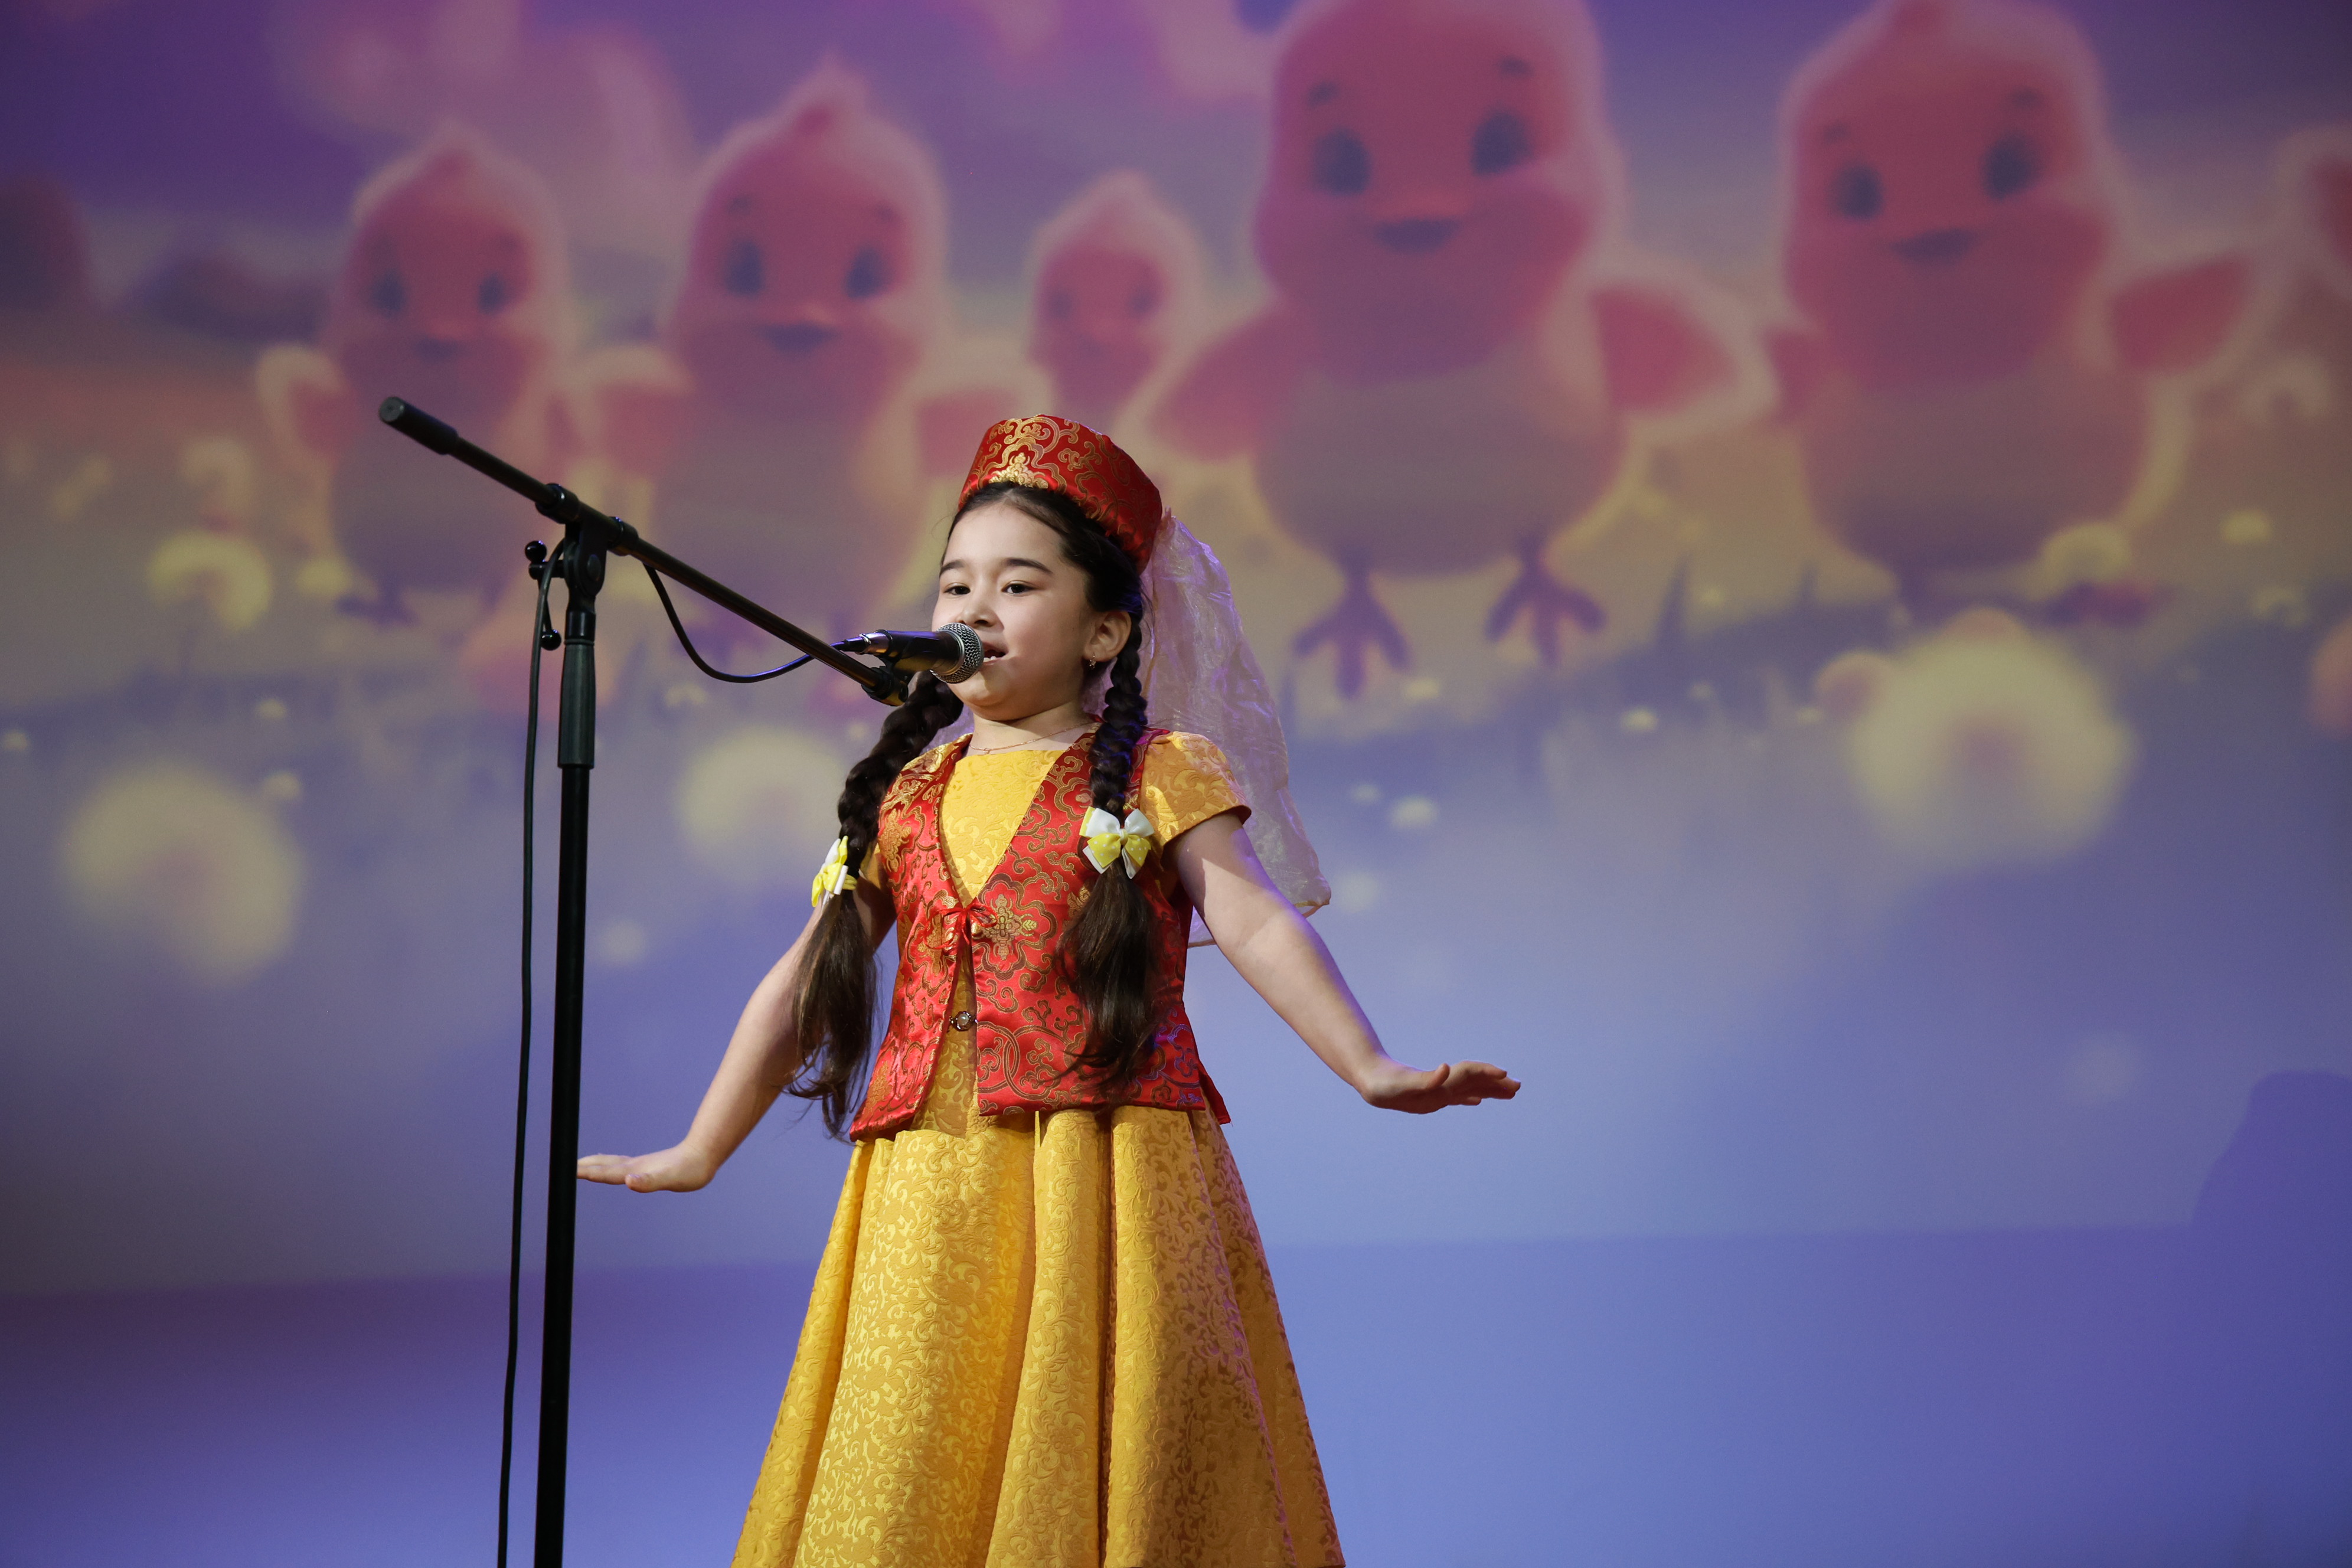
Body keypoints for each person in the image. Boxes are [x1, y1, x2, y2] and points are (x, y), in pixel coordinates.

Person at [579, 414, 1520, 1567]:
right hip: (931, 1179)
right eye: (956, 582)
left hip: (1109, 1163)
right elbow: (804, 980)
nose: (975, 607)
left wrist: (1370, 1067)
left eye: (1018, 585)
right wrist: (701, 1147)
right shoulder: (907, 790)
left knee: (1117, 1434)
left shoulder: (1161, 772)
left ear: (1105, 629)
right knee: (915, 1435)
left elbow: (1255, 917)